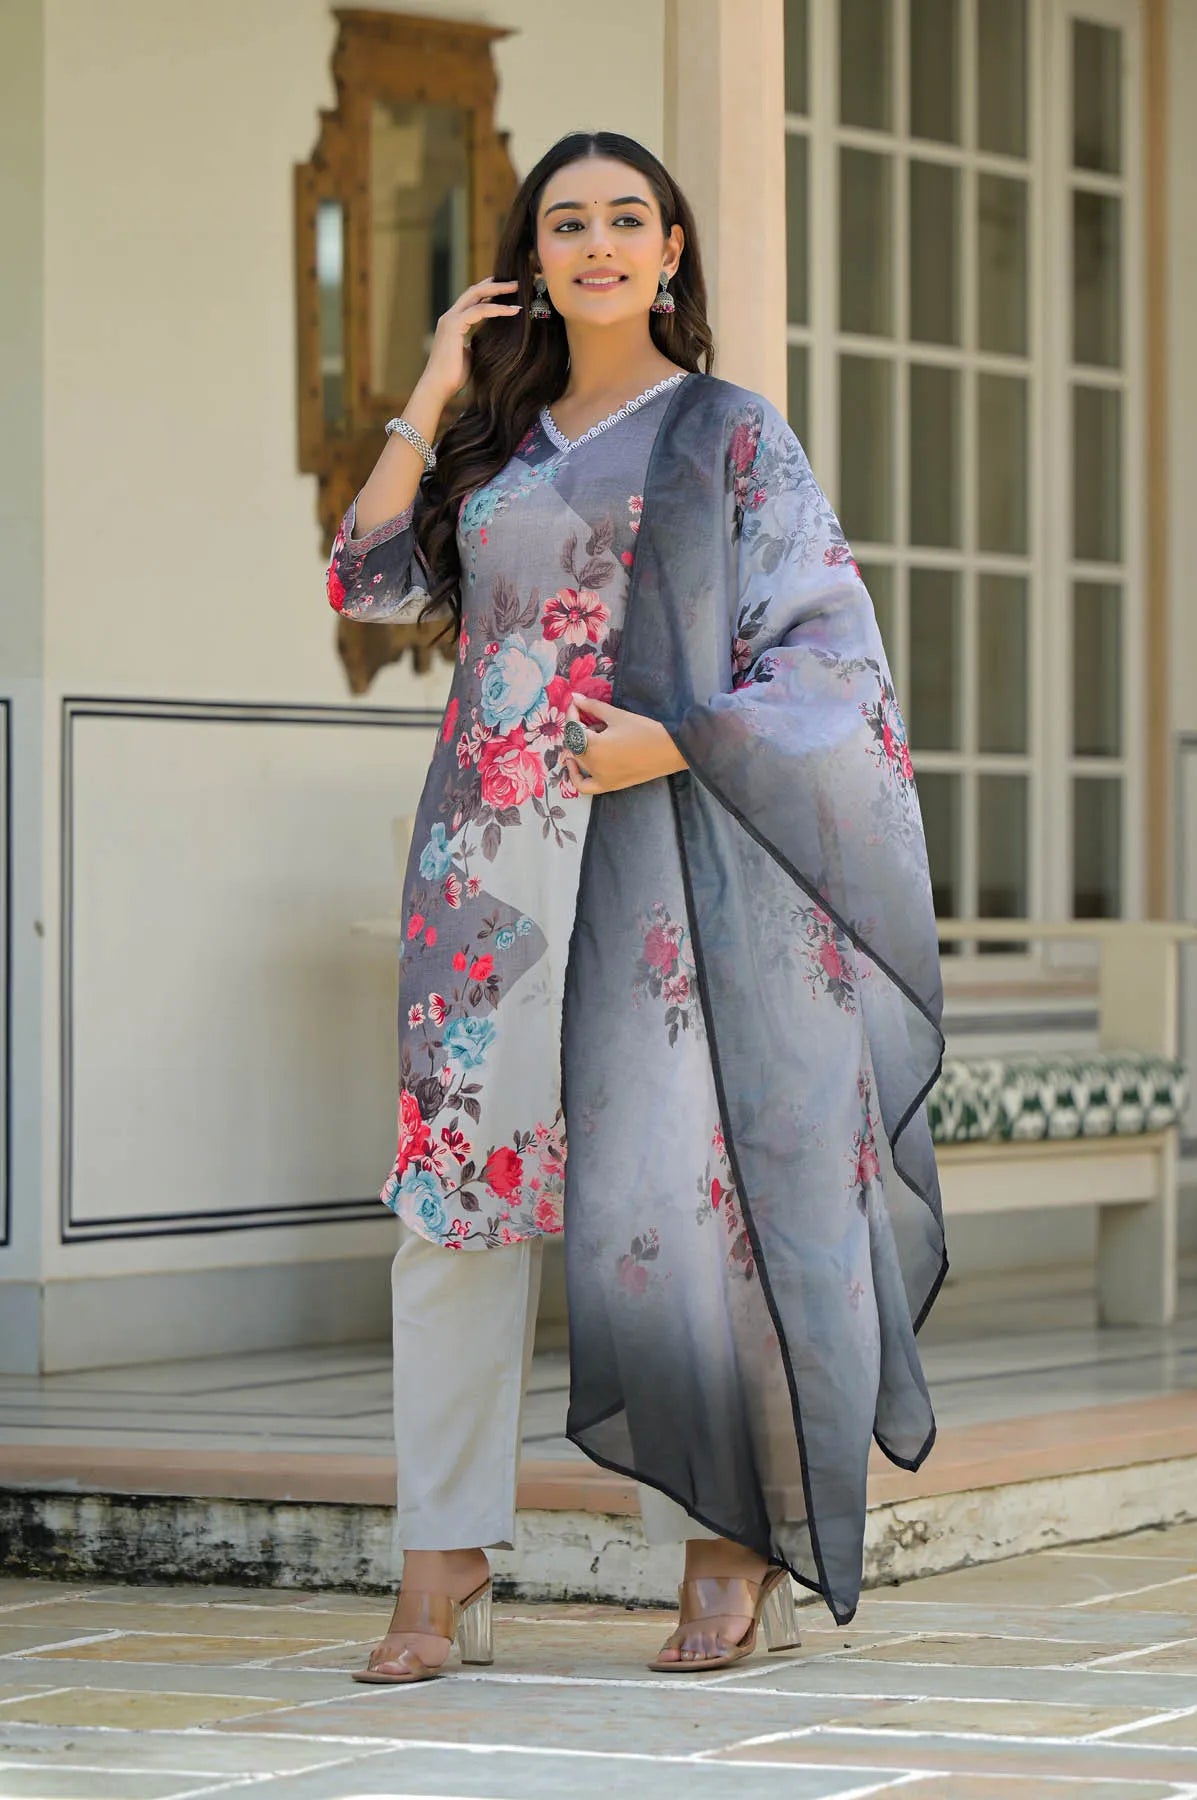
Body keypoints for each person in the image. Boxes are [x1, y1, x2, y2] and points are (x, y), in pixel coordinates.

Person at [326, 129, 947, 1683]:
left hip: (666, 869)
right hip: (485, 875)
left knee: (688, 1208)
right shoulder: (497, 442)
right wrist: (430, 395)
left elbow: (833, 662)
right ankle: (443, 1554)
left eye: (626, 219)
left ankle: (729, 1543)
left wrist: (679, 738)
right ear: (530, 257)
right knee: (454, 1208)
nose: (596, 245)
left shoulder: (735, 438)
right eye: (564, 223)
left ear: (672, 250)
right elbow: (365, 583)